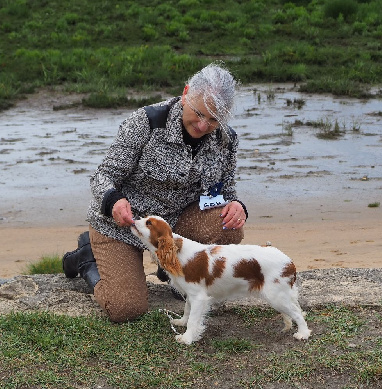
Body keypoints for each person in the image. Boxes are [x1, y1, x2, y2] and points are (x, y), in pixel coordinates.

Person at [62, 62, 248, 323]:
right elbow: (103, 175)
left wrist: (236, 204)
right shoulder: (146, 122)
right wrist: (113, 201)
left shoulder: (226, 139)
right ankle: (87, 259)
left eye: (214, 119)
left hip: (173, 227)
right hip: (122, 226)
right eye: (199, 113)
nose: (204, 125)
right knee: (125, 308)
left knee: (230, 226)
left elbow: (222, 189)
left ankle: (173, 275)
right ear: (185, 94)